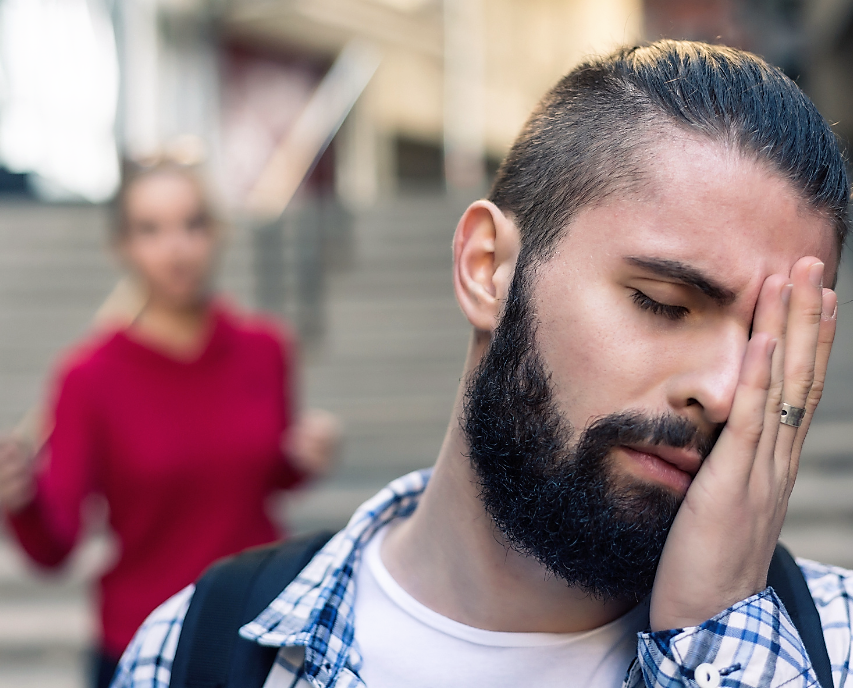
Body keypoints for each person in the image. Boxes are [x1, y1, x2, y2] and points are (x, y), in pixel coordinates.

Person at [113, 40, 853, 688]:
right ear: (486, 267)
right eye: (661, 302)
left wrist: (716, 639)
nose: (723, 391)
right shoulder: (191, 651)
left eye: (770, 341)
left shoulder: (833, 645)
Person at [0, 160, 340, 687]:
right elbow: (57, 547)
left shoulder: (265, 349)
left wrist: (302, 457)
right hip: (143, 645)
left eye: (192, 224)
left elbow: (265, 475)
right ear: (122, 245)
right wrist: (21, 500)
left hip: (257, 633)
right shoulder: (88, 377)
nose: (176, 248)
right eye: (150, 229)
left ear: (217, 232)